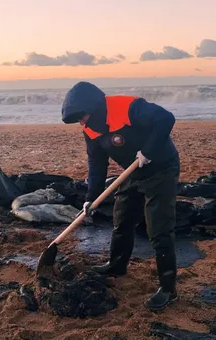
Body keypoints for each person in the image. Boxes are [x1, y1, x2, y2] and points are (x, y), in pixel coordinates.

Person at [61, 81, 180, 311]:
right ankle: (116, 266)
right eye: (78, 120)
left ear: (94, 108)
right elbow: (96, 162)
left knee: (158, 228)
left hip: (161, 168)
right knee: (122, 218)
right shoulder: (90, 128)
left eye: (82, 117)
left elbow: (166, 118)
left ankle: (168, 288)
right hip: (132, 171)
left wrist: (148, 151)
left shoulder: (128, 107)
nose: (82, 122)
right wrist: (91, 196)